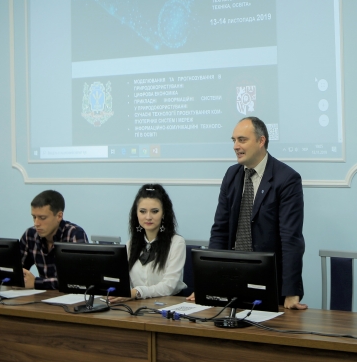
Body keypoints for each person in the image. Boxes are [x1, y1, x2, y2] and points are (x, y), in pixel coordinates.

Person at [205, 116, 307, 309]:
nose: (236, 146)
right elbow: (220, 230)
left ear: (261, 141)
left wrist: (291, 292)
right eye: (234, 140)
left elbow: (291, 238)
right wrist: (209, 282)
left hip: (270, 280)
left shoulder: (287, 179)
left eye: (242, 140)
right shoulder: (231, 175)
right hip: (232, 276)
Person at [124, 184, 186, 299]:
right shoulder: (130, 244)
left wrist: (138, 292)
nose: (148, 217)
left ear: (163, 213)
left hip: (170, 303)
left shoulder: (177, 243)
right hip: (137, 304)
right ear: (136, 214)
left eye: (154, 211)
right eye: (142, 211)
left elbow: (169, 286)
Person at [20, 190, 88, 289]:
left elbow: (78, 280)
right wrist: (17, 279)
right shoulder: (30, 234)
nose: (36, 223)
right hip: (42, 296)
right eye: (34, 217)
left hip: (69, 297)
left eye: (42, 218)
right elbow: (15, 270)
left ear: (59, 216)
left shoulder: (74, 234)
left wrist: (36, 282)